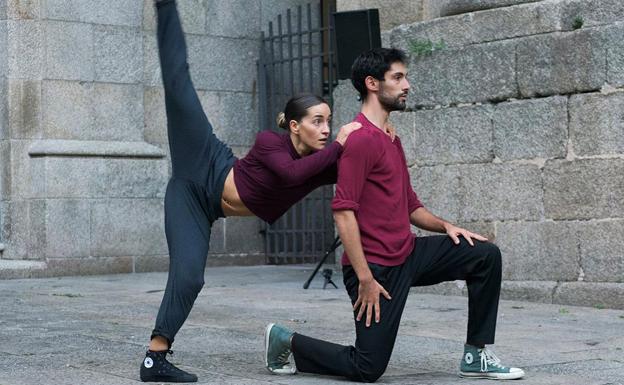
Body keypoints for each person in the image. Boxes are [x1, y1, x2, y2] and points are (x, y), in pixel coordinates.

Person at [140, 1, 400, 383]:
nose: (327, 128)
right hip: (199, 166)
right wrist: (343, 145)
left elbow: (364, 172)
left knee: (192, 277)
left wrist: (382, 135)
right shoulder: (269, 143)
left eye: (329, 121)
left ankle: (154, 360)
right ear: (295, 126)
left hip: (209, 207)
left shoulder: (327, 160)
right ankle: (165, 5)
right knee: (178, 84)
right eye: (317, 121)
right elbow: (290, 174)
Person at [264, 47, 526, 382]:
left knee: (485, 255)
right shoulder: (360, 139)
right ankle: (286, 341)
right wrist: (364, 279)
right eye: (398, 77)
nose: (407, 85)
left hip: (407, 254)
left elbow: (410, 206)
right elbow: (343, 213)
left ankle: (476, 354)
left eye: (405, 77)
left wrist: (447, 227)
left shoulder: (391, 138)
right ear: (372, 84)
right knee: (367, 367)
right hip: (375, 270)